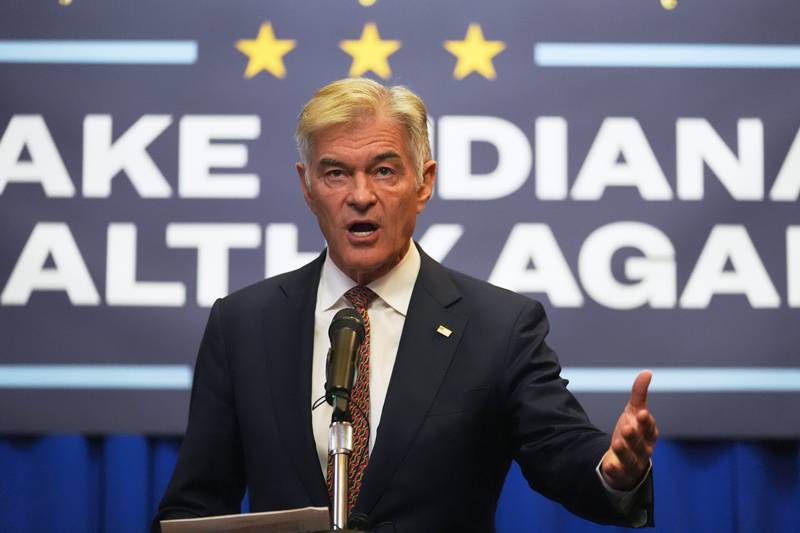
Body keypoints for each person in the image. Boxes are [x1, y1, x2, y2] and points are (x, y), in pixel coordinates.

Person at [155, 78, 658, 532]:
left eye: (384, 171)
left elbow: (561, 451)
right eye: (335, 173)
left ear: (424, 182)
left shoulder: (498, 327)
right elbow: (195, 506)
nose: (360, 196)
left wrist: (616, 470)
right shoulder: (244, 324)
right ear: (307, 188)